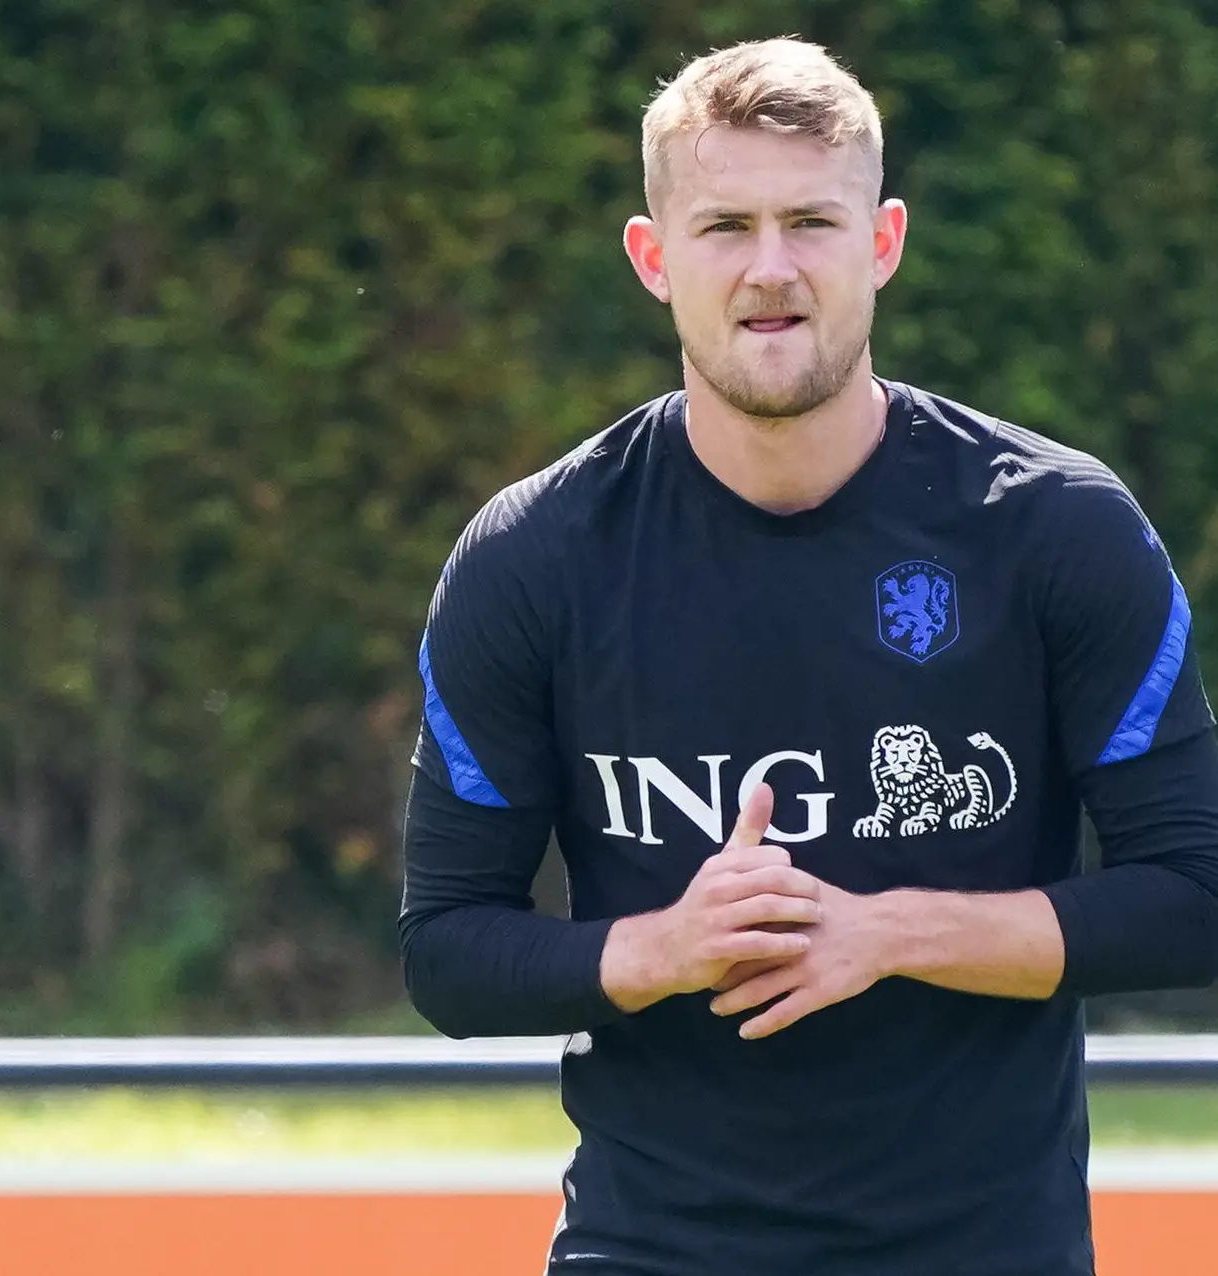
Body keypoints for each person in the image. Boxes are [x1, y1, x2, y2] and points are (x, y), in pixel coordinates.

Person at [400, 37, 1218, 1276]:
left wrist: (887, 931)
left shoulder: (1054, 528)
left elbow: (1198, 896)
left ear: (883, 241)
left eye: (811, 223)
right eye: (725, 224)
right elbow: (448, 949)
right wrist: (660, 950)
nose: (770, 269)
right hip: (654, 1247)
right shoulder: (536, 557)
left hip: (986, 1250)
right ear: (653, 256)